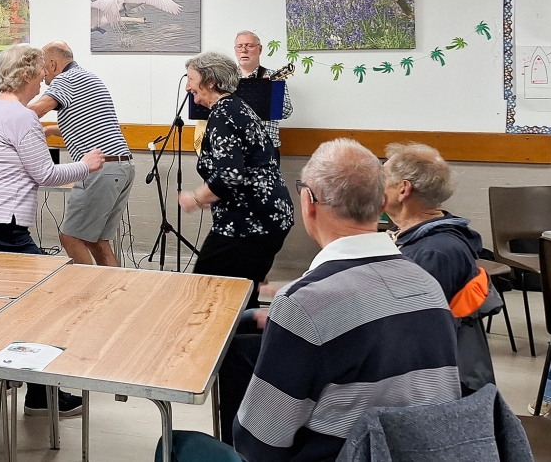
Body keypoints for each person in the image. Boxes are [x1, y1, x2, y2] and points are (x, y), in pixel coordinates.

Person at [163, 139, 460, 462]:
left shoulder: (304, 304)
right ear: (382, 204)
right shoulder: (427, 285)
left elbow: (259, 443)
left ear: (308, 202)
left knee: (176, 447)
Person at [0, 44, 104, 416]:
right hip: (5, 222)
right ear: (25, 76)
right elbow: (46, 174)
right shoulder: (22, 118)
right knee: (45, 300)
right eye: (40, 73)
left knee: (3, 300)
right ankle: (41, 397)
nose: (44, 79)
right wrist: (87, 164)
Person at [178, 52, 293, 310]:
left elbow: (230, 176)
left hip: (248, 223)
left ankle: (221, 348)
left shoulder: (223, 113)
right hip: (268, 217)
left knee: (210, 291)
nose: (187, 86)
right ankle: (247, 347)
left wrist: (195, 198)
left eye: (191, 79)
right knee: (241, 295)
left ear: (210, 82)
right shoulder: (237, 107)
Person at [383, 142, 496, 394]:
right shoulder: (417, 237)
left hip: (428, 387)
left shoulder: (434, 253)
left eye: (383, 177)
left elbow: (410, 332)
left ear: (403, 189)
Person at [28, 41, 133, 267]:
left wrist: (0, 113)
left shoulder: (65, 80)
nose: (42, 74)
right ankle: (113, 294)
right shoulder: (87, 77)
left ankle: (89, 293)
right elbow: (89, 121)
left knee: (70, 237)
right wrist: (50, 130)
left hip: (102, 169)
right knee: (97, 241)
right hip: (121, 166)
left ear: (53, 64)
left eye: (42, 67)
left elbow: (35, 111)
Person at [234, 31, 292, 165]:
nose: (244, 50)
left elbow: (287, 111)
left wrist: (268, 92)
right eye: (240, 46)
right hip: (234, 147)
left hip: (266, 148)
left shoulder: (273, 76)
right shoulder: (226, 78)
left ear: (260, 49)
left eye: (249, 45)